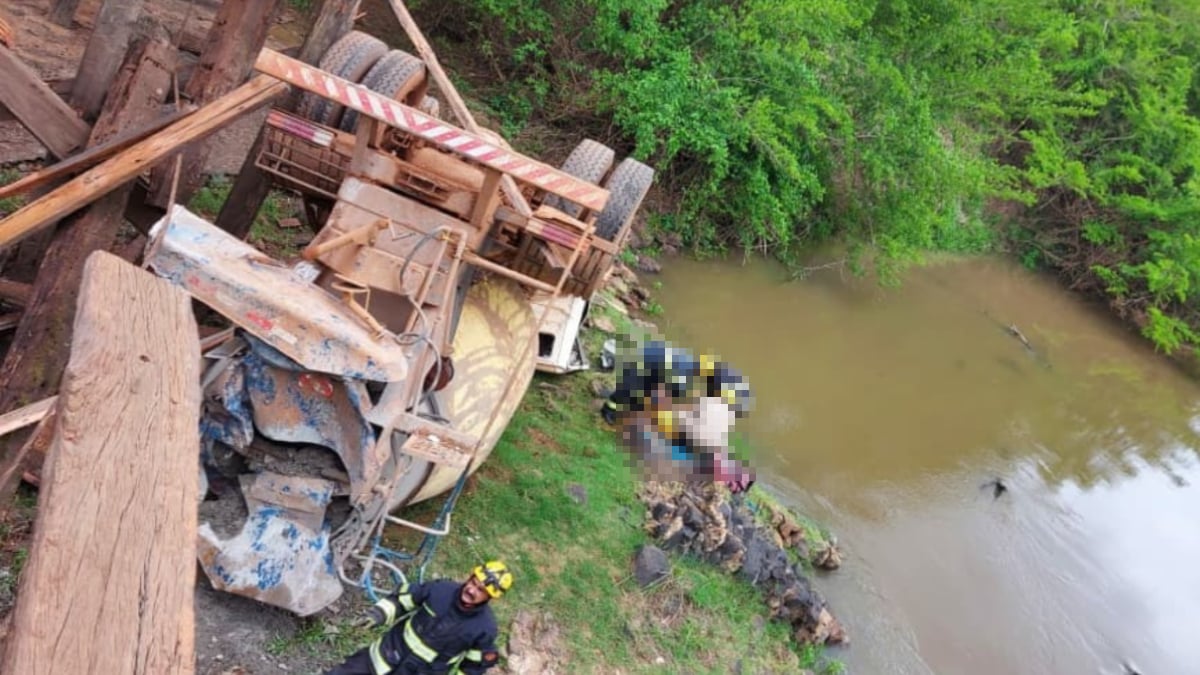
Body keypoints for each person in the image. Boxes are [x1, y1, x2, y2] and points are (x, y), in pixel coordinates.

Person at [326, 561, 512, 675]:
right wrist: (379, 614)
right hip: (384, 655)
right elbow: (403, 600)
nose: (471, 590)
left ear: (490, 597)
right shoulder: (440, 590)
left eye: (480, 590)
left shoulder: (484, 629)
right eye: (473, 582)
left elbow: (472, 668)